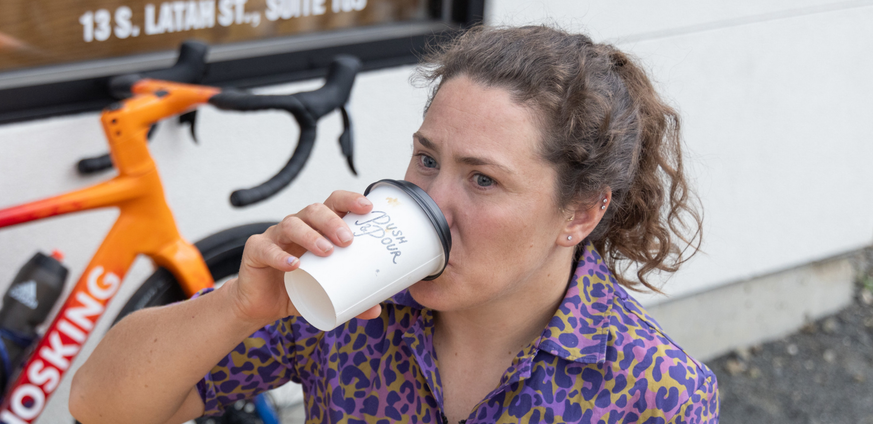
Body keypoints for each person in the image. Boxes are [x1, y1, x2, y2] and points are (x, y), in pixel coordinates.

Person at [70, 25, 717, 424]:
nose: (431, 199)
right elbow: (100, 408)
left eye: (483, 179)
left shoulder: (652, 391)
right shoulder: (352, 299)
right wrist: (240, 307)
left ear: (580, 213)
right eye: (427, 159)